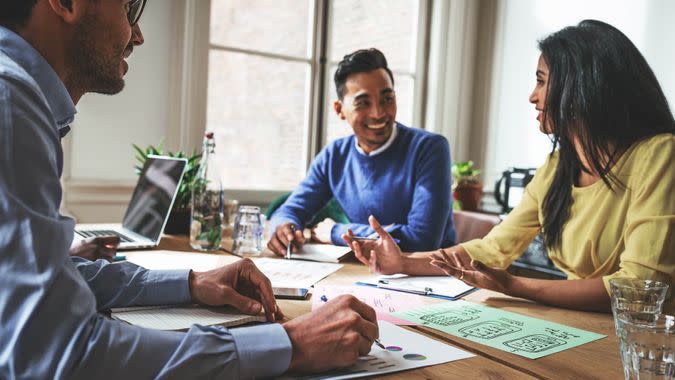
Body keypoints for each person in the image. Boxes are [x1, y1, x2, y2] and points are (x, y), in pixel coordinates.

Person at [0, 1, 378, 378]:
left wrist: (190, 283)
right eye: (128, 8)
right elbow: (59, 352)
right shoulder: (11, 105)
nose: (138, 35)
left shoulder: (18, 98)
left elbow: (61, 277)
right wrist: (289, 344)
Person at [345, 20, 675, 313]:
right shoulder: (557, 166)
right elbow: (492, 248)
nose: (533, 96)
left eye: (542, 81)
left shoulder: (660, 155)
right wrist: (403, 262)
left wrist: (516, 286)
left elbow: (639, 286)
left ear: (581, 85)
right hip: (584, 327)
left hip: (646, 343)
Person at [268, 48, 455, 255]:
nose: (378, 113)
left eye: (387, 99)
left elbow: (422, 240)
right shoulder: (334, 156)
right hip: (365, 271)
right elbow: (289, 210)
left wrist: (336, 232)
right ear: (339, 110)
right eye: (363, 103)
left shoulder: (430, 149)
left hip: (429, 278)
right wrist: (283, 227)